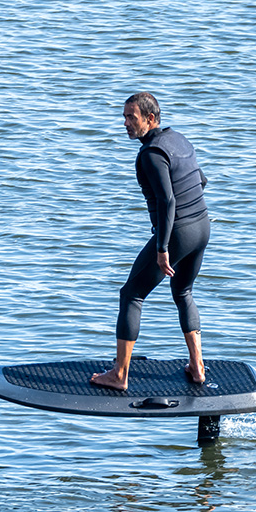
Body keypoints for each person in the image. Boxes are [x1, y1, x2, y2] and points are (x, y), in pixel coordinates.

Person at [91, 92, 210, 391]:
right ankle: (197, 367)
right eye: (124, 117)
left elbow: (167, 201)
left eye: (132, 117)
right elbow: (201, 180)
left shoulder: (151, 153)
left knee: (131, 294)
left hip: (178, 232)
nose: (126, 123)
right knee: (183, 291)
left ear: (151, 119)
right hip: (202, 226)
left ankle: (119, 375)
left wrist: (162, 248)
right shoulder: (179, 140)